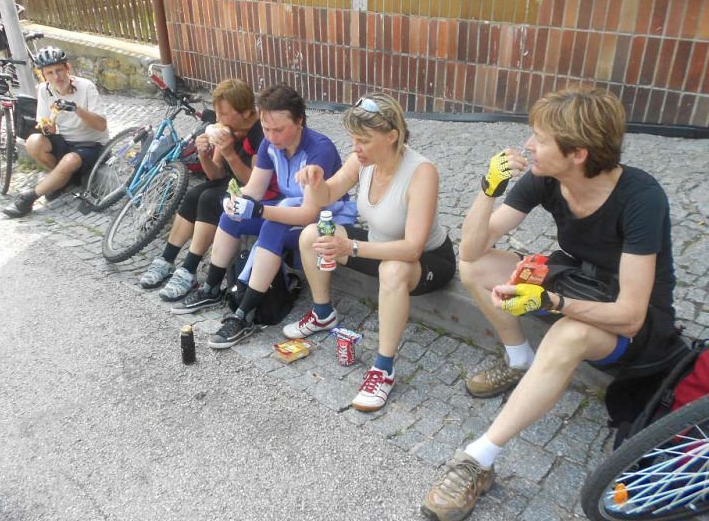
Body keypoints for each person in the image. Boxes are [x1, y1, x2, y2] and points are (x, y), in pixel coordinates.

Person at [421, 86, 683, 521]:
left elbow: (631, 315)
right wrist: (489, 189)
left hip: (635, 323)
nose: (528, 145)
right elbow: (470, 252)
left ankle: (478, 459)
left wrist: (551, 301)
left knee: (567, 334)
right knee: (476, 268)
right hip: (577, 283)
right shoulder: (546, 178)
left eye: (540, 139)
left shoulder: (641, 197)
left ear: (578, 153)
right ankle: (519, 359)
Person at [290, 93, 456, 412]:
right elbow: (327, 194)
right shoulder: (362, 160)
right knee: (312, 235)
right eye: (353, 139)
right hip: (379, 246)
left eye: (364, 140)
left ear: (391, 136)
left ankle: (383, 369)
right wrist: (315, 181)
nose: (356, 148)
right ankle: (323, 314)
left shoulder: (422, 172)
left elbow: (412, 248)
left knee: (392, 269)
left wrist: (351, 247)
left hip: (428, 259)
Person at [171, 83, 356, 350]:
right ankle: (211, 289)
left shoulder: (319, 150)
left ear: (300, 121)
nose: (271, 136)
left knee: (273, 227)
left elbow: (308, 213)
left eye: (278, 129)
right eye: (266, 129)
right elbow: (255, 189)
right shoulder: (270, 144)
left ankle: (244, 315)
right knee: (232, 217)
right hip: (291, 207)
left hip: (329, 218)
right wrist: (235, 200)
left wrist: (258, 210)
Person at [138, 79, 278, 301]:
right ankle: (166, 259)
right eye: (218, 113)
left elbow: (254, 184)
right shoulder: (227, 129)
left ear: (245, 112)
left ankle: (189, 269)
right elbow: (215, 174)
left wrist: (230, 153)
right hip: (232, 185)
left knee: (210, 198)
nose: (219, 119)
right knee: (194, 194)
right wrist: (203, 154)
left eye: (224, 114)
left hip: (258, 193)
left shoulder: (260, 133)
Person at [3, 46, 108, 218]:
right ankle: (63, 180)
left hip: (92, 144)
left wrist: (77, 109)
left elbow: (101, 125)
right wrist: (48, 128)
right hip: (66, 140)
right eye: (50, 73)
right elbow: (44, 122)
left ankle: (29, 198)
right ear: (44, 75)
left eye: (59, 70)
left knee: (71, 159)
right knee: (33, 141)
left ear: (67, 68)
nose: (56, 77)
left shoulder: (86, 87)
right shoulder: (44, 89)